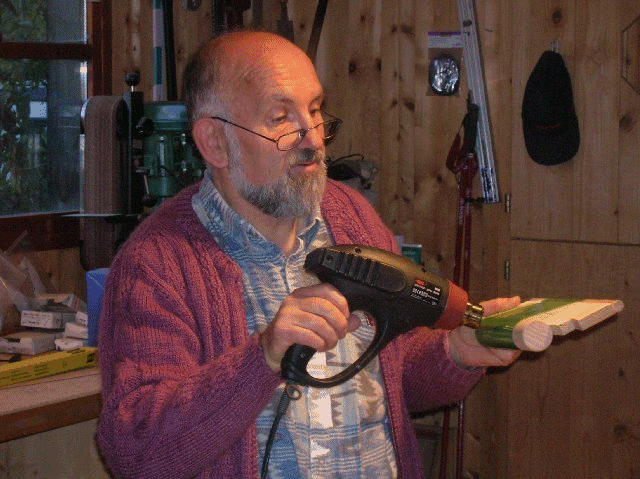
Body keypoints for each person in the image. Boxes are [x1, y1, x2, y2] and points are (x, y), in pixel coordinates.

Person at [96, 30, 520, 479]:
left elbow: (391, 372)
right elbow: (134, 451)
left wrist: (456, 351)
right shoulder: (156, 265)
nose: (314, 140)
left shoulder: (353, 218)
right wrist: (263, 358)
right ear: (215, 142)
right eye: (281, 118)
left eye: (315, 110)